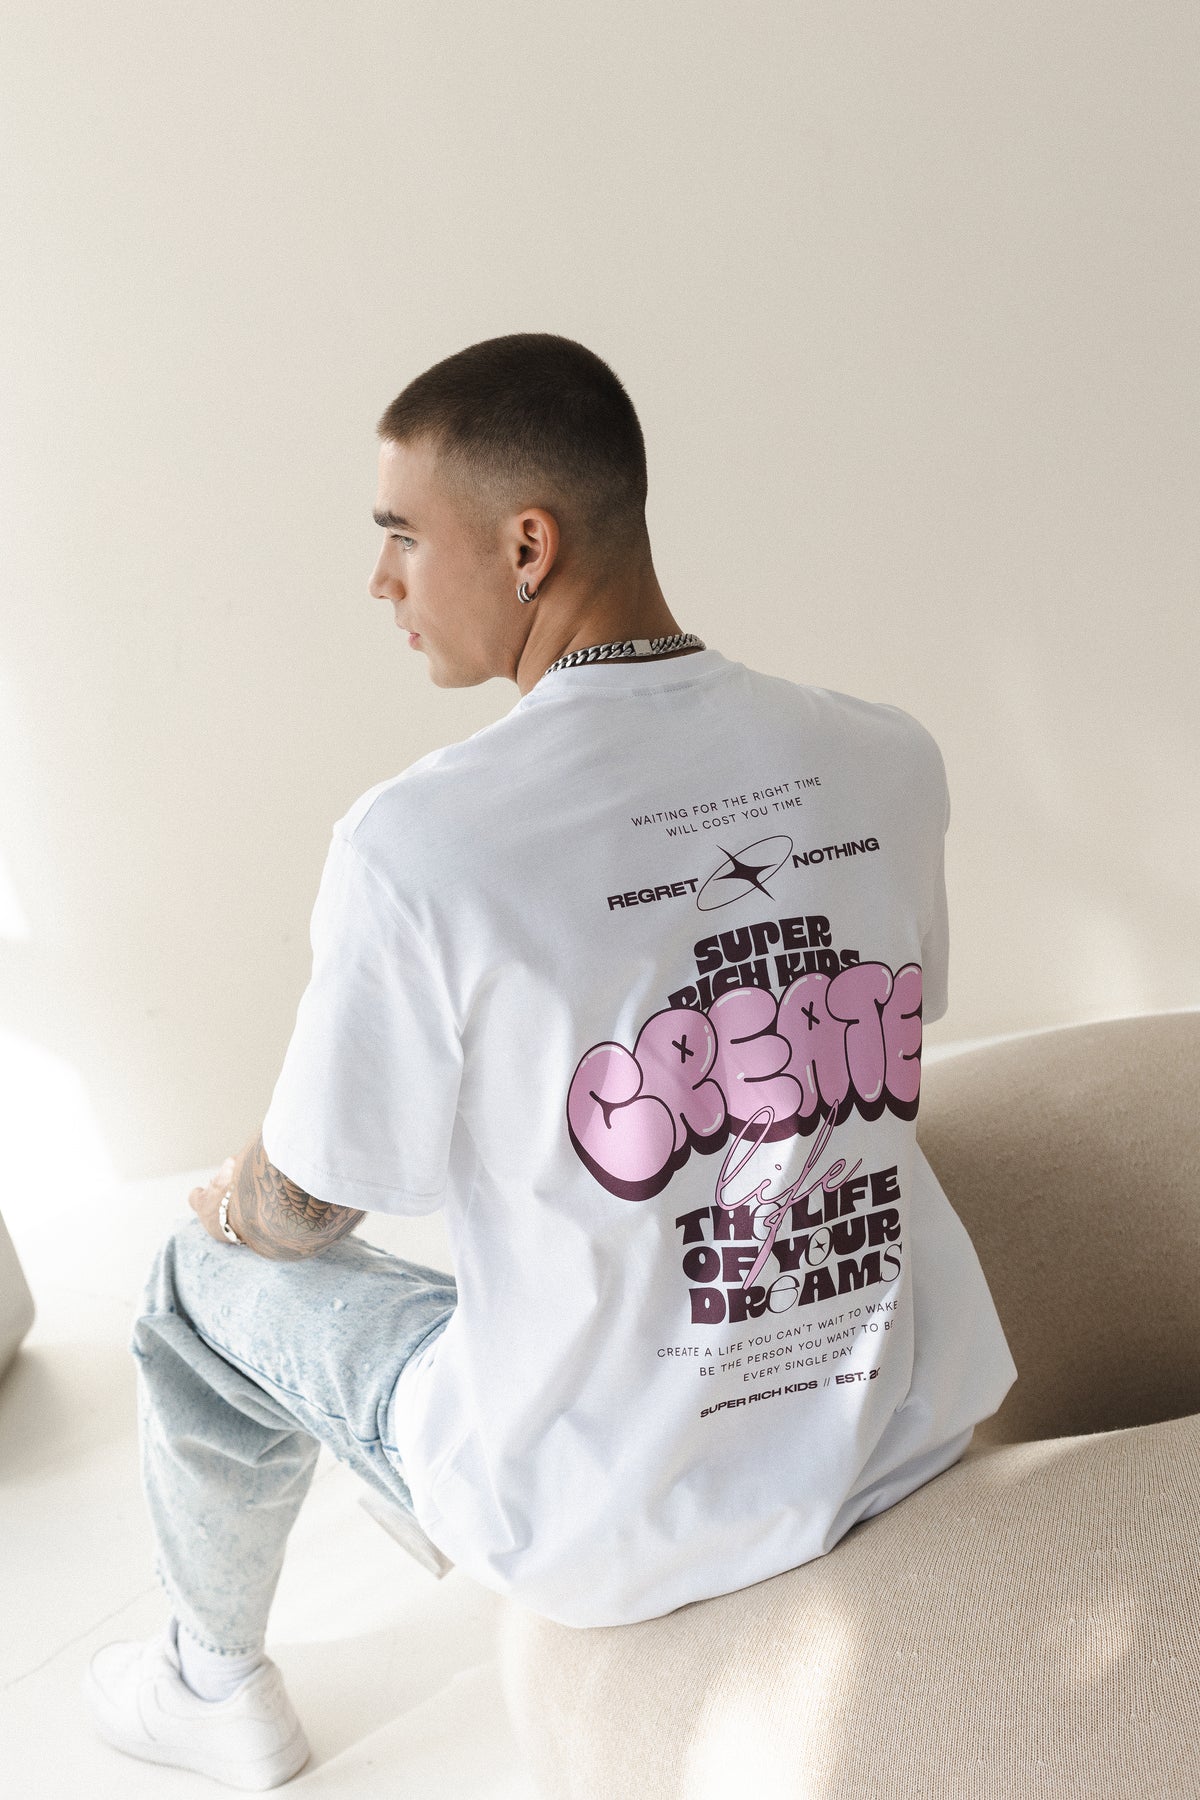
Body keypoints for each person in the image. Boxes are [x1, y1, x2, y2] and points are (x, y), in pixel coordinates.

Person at [82, 332, 1018, 1789]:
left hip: (614, 1518)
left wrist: (229, 1204)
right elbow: (876, 1032)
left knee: (193, 1278)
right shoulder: (886, 757)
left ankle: (211, 1686)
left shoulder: (422, 845)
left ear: (528, 545)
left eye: (401, 533)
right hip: (885, 1434)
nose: (379, 581)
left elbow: (312, 1208)